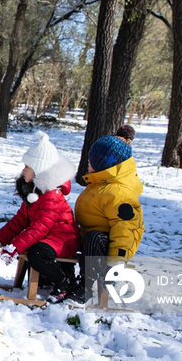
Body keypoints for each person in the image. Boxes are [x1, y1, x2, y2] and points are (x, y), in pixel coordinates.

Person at [0, 131, 80, 300]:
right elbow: (20, 220)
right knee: (34, 248)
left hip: (64, 238)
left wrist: (15, 246)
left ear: (39, 170)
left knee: (37, 253)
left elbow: (39, 227)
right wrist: (1, 238)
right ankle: (47, 278)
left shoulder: (52, 195)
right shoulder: (35, 193)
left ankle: (64, 281)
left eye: (27, 167)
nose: (23, 170)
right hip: (50, 238)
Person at [65, 125, 144, 306]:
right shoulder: (102, 184)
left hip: (113, 245)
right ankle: (60, 279)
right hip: (94, 239)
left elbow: (126, 230)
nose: (88, 163)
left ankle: (85, 288)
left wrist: (116, 262)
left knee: (94, 237)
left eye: (91, 160)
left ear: (104, 164)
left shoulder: (119, 193)